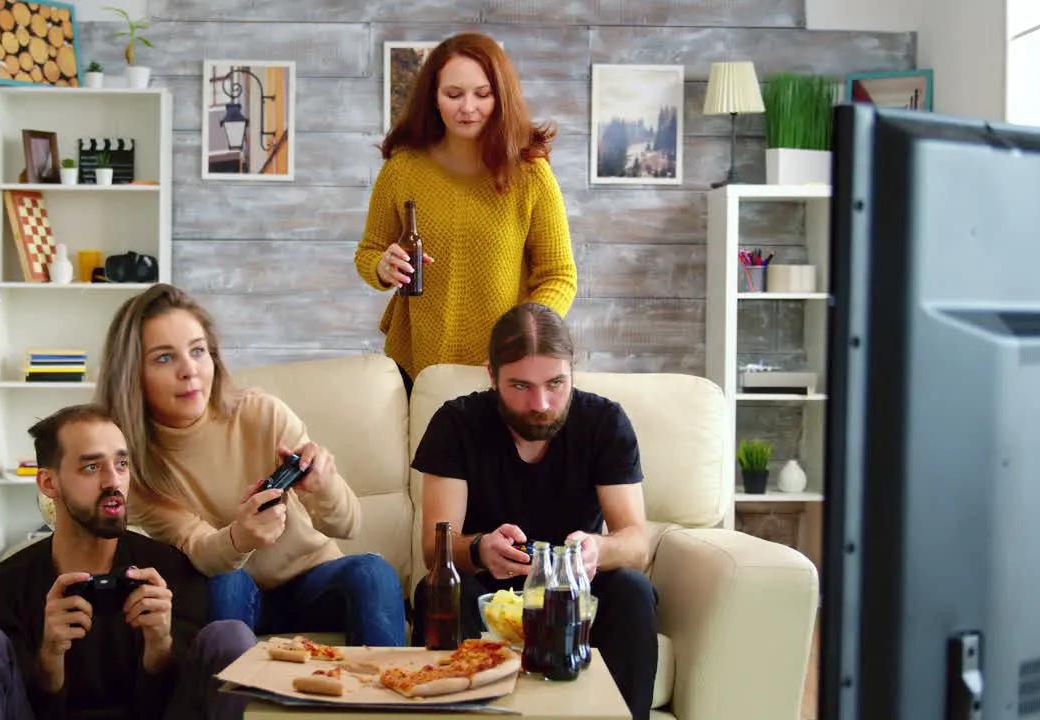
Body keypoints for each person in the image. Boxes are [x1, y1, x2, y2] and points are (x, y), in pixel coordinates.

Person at [94, 283, 407, 647]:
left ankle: (386, 703)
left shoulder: (260, 412)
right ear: (133, 374)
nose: (189, 371)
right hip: (230, 589)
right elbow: (199, 549)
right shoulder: (138, 467)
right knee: (226, 582)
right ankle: (227, 704)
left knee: (373, 572)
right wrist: (240, 538)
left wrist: (325, 486)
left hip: (315, 579)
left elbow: (350, 524)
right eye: (165, 358)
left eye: (198, 351)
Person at [409, 302, 658, 719]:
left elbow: (636, 544)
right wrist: (478, 549)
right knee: (437, 590)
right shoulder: (456, 424)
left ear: (572, 371)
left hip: (577, 592)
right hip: (490, 591)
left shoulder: (604, 423)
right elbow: (436, 551)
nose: (541, 403)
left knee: (633, 590)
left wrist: (598, 548)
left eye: (556, 384)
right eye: (520, 386)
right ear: (492, 375)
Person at [0, 404, 256, 720]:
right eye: (91, 468)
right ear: (49, 483)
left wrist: (159, 645)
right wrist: (50, 656)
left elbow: (169, 704)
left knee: (231, 635)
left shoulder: (173, 573)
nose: (113, 481)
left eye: (121, 464)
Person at [354, 31, 578, 395]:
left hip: (503, 366)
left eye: (483, 94)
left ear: (501, 97)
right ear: (434, 99)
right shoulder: (402, 169)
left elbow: (559, 276)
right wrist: (382, 266)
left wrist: (521, 335)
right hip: (414, 365)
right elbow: (368, 252)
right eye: (454, 94)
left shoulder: (531, 174)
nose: (468, 107)